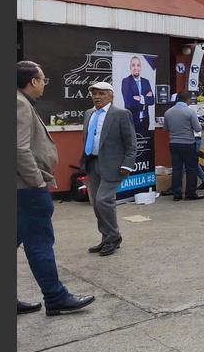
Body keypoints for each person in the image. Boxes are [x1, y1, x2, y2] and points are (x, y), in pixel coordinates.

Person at [17, 61, 95, 316]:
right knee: (40, 242)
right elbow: (18, 148)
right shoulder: (20, 103)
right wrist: (36, 180)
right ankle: (56, 297)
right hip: (26, 189)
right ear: (32, 81)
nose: (43, 83)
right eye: (43, 79)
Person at [80, 81, 137, 257]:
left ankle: (114, 236)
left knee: (104, 200)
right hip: (93, 163)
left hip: (114, 166)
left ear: (111, 96)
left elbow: (131, 143)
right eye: (94, 93)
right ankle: (106, 237)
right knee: (97, 204)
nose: (97, 96)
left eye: (102, 93)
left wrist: (127, 164)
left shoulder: (121, 114)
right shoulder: (89, 113)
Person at [162, 91, 204, 202]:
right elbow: (198, 128)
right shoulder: (190, 112)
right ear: (187, 99)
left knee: (177, 169)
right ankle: (190, 193)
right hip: (188, 144)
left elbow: (165, 129)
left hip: (174, 144)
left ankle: (177, 194)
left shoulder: (168, 112)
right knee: (191, 169)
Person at [120, 55, 154, 133]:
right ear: (130, 67)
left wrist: (141, 98)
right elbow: (129, 104)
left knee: (145, 144)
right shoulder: (126, 82)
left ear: (140, 67)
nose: (136, 68)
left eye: (138, 65)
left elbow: (152, 100)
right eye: (133, 65)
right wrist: (145, 100)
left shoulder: (146, 82)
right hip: (132, 121)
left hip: (145, 120)